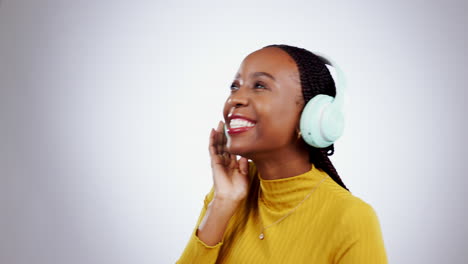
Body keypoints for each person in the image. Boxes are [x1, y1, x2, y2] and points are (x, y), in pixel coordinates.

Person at [176, 44, 387, 263]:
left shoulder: (351, 218)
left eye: (259, 85)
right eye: (234, 86)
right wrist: (221, 205)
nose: (235, 99)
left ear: (311, 117)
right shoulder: (228, 192)